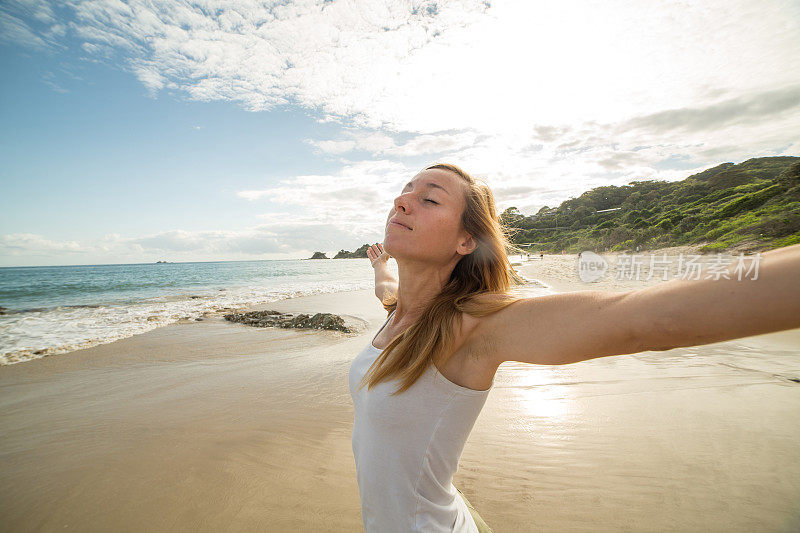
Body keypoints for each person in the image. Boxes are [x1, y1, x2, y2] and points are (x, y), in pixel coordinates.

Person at [354, 163, 800, 532]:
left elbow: (647, 321)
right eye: (405, 190)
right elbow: (387, 289)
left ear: (465, 242)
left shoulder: (475, 328)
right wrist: (381, 265)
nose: (402, 200)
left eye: (430, 198)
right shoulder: (400, 313)